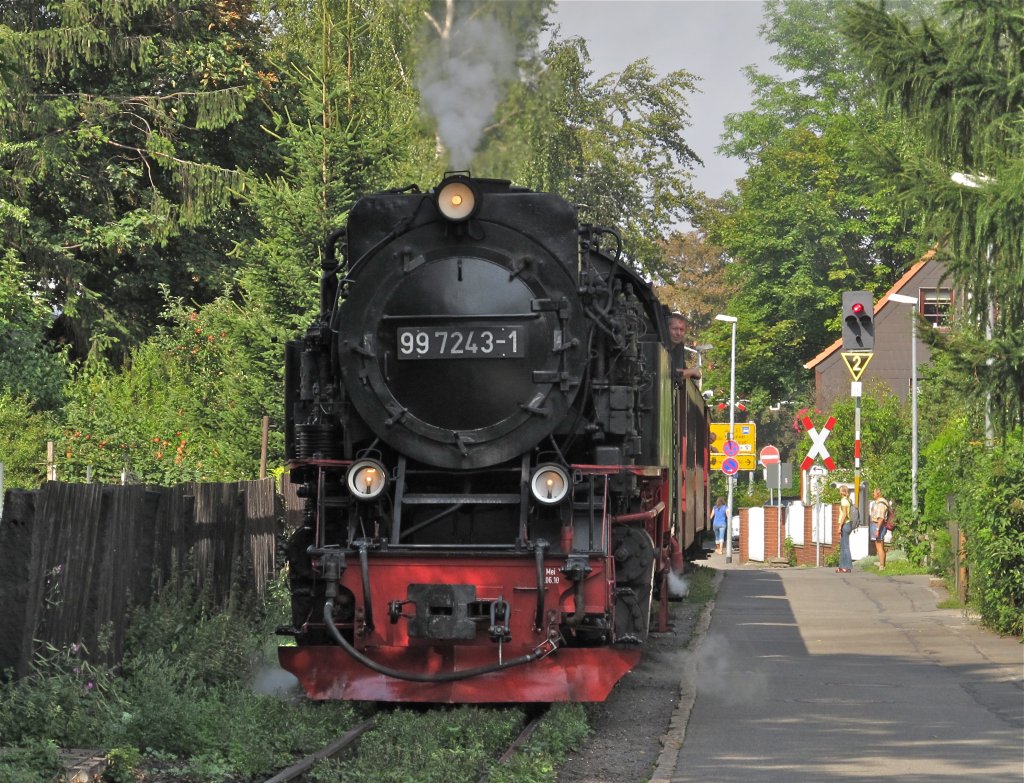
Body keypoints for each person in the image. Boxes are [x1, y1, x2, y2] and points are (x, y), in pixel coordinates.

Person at [668, 313, 702, 383]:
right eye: (675, 329)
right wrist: (692, 371)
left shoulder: (679, 347)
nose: (678, 333)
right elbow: (666, 373)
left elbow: (681, 370)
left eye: (682, 330)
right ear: (666, 329)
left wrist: (692, 372)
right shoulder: (659, 346)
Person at [869, 487, 891, 569]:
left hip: (878, 525)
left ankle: (882, 565)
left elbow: (881, 517)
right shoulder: (877, 502)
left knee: (879, 545)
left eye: (874, 492)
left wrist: (877, 529)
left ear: (878, 493)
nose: (873, 494)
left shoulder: (881, 503)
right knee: (878, 545)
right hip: (876, 524)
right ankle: (882, 564)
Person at [836, 484, 853, 573]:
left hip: (845, 524)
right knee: (843, 545)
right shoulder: (849, 500)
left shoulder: (843, 501)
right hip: (849, 524)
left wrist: (839, 526)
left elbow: (845, 514)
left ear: (841, 491)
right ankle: (842, 566)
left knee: (845, 546)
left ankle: (846, 566)